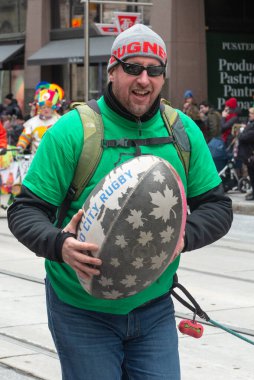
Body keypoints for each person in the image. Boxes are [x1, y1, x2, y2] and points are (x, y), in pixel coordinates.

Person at [7, 24, 233, 380]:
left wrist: (181, 237)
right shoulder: (72, 131)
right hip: (80, 310)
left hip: (154, 306)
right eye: (132, 68)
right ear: (112, 69)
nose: (144, 79)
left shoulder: (183, 132)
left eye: (154, 70)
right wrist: (60, 244)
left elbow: (218, 207)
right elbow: (25, 210)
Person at [16, 89, 61, 154]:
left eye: (49, 107)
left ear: (53, 108)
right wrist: (20, 147)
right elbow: (25, 137)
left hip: (55, 156)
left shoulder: (59, 121)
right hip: (36, 157)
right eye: (43, 107)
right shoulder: (32, 122)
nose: (46, 110)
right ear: (39, 108)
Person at [237, 107, 254, 200]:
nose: (249, 115)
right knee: (251, 174)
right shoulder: (250, 124)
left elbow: (244, 137)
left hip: (251, 154)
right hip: (248, 155)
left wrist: (241, 132)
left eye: (251, 113)